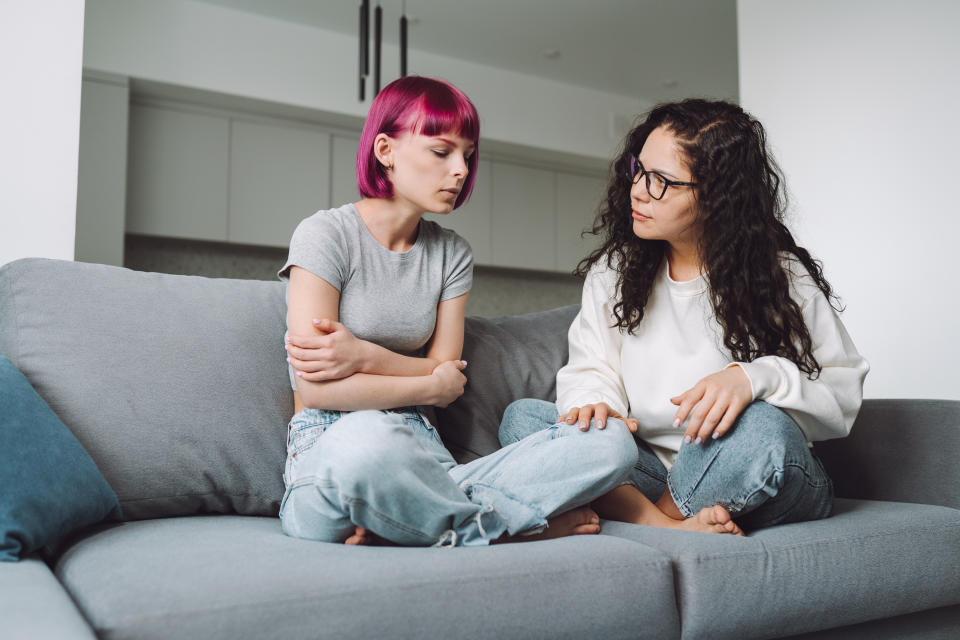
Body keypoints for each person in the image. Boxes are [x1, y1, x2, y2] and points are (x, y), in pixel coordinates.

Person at [277, 76, 637, 547]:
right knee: (365, 438)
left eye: (468, 155)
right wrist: (429, 382)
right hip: (330, 450)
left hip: (430, 459)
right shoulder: (324, 235)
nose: (462, 169)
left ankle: (411, 520)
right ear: (385, 149)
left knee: (610, 443)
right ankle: (499, 525)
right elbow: (318, 390)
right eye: (442, 152)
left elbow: (450, 382)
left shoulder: (451, 254)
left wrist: (364, 355)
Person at [499, 99, 869, 535]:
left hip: (758, 468)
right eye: (639, 170)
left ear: (716, 197)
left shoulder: (781, 273)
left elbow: (842, 393)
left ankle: (651, 517)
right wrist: (597, 409)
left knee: (762, 424)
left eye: (661, 182)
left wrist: (755, 378)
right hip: (652, 468)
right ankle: (669, 522)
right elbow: (591, 366)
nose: (638, 189)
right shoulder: (616, 270)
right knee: (523, 418)